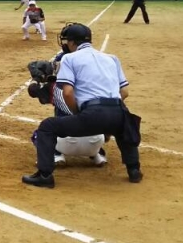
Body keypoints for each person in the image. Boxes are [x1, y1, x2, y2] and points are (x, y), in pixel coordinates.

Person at [22, 23, 142, 188]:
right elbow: (125, 92)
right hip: (117, 109)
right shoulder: (112, 58)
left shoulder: (69, 58)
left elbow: (68, 93)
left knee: (47, 127)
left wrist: (79, 112)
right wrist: (109, 110)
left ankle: (45, 175)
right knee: (124, 125)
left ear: (72, 42)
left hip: (91, 114)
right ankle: (134, 170)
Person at [27, 53, 107, 166]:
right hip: (95, 141)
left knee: (42, 132)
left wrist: (36, 79)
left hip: (67, 142)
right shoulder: (94, 85)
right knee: (97, 120)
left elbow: (33, 90)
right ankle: (98, 154)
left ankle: (56, 155)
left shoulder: (53, 87)